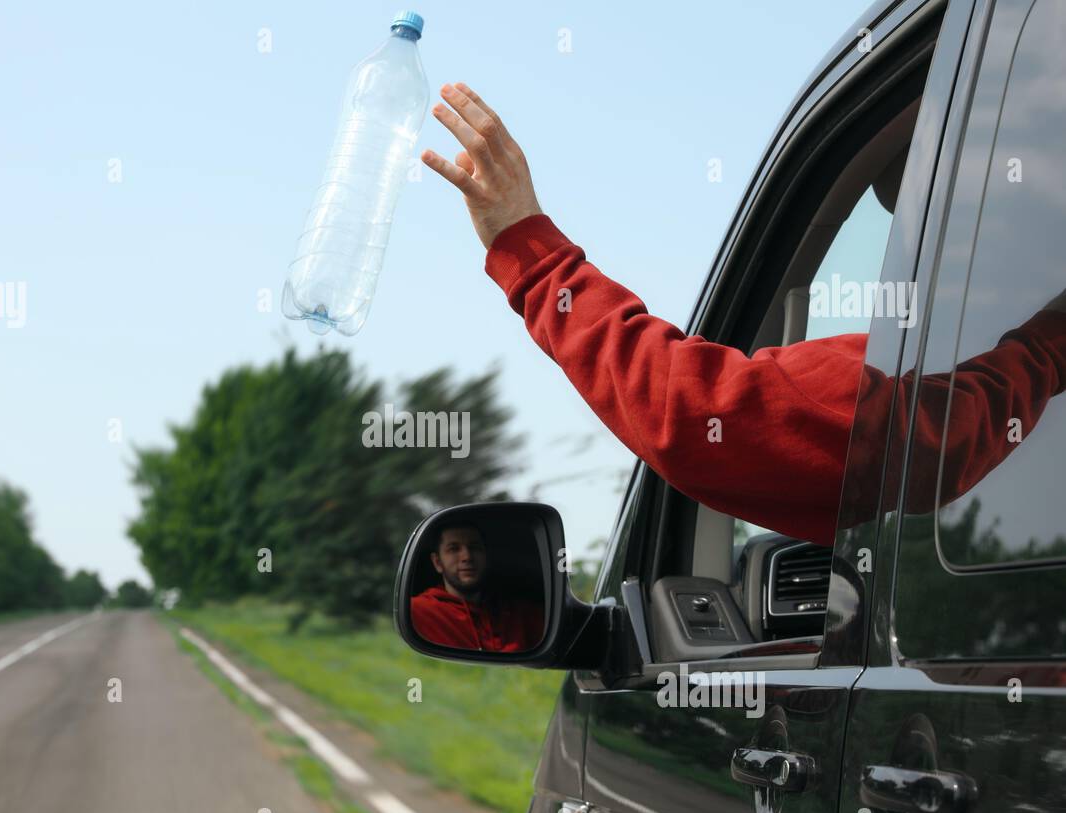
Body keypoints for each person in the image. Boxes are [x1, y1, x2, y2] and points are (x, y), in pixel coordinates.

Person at [419, 83, 1066, 546]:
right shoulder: (1015, 368)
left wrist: (532, 255)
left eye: (947, 212)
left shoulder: (1003, 376)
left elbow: (699, 413)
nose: (935, 253)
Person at [410, 520, 544, 653]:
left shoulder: (522, 614)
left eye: (474, 547)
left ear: (486, 556)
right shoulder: (418, 611)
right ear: (437, 562)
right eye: (454, 549)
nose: (467, 557)